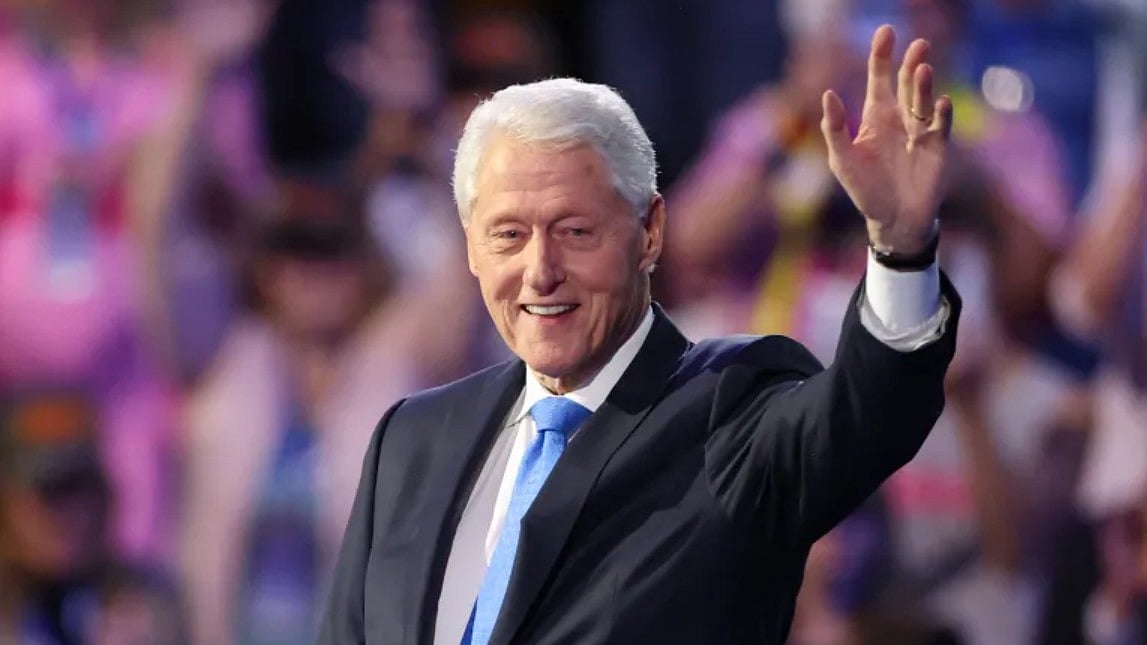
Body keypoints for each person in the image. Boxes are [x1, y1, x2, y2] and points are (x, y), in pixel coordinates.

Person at [319, 25, 961, 645]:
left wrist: (901, 249)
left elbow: (868, 412)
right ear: (471, 249)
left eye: (575, 231)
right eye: (509, 235)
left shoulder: (732, 412)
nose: (540, 271)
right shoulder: (410, 439)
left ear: (649, 232)